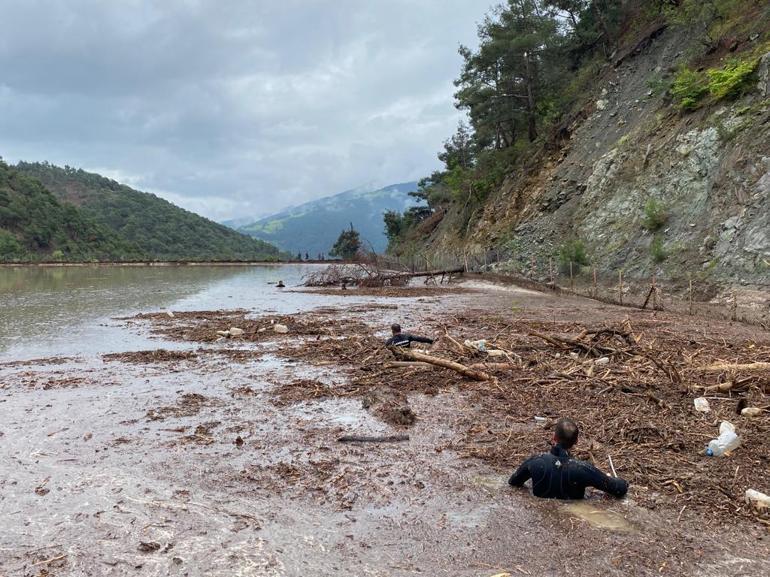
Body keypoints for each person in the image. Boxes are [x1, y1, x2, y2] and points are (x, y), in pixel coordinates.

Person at [508, 417, 628, 499]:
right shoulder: (583, 469)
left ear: (554, 437)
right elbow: (619, 489)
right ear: (576, 441)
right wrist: (618, 480)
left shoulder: (535, 461)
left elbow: (513, 482)